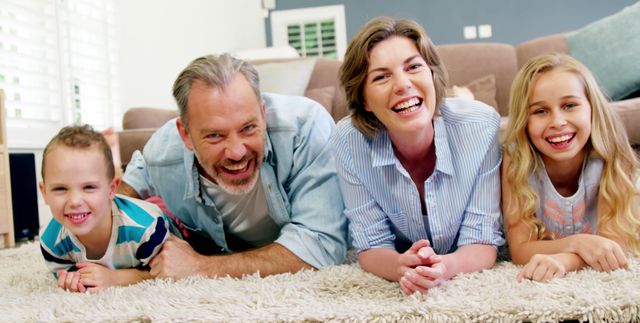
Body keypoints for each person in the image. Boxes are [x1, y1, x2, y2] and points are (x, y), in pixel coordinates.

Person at [118, 53, 348, 279]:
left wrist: (201, 267)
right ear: (185, 135)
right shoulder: (162, 154)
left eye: (248, 128)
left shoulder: (307, 127)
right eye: (216, 135)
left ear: (263, 114)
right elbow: (135, 177)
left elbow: (322, 244)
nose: (237, 152)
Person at [330, 16, 504, 295]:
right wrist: (400, 265)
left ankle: (463, 96)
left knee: (466, 110)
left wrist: (445, 267)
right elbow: (371, 244)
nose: (402, 84)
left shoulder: (482, 128)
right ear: (364, 100)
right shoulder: (348, 141)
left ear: (432, 74)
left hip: (461, 119)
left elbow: (482, 239)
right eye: (381, 76)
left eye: (413, 67)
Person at [502, 53, 640, 282]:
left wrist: (565, 261)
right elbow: (520, 249)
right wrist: (579, 243)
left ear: (592, 108)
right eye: (540, 111)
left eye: (569, 105)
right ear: (524, 121)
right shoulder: (515, 160)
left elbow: (613, 247)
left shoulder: (613, 155)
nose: (557, 122)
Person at [39, 125, 169, 293]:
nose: (75, 201)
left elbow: (166, 271)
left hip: (165, 217)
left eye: (88, 187)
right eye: (60, 189)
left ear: (111, 188)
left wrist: (114, 278)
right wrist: (75, 280)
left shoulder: (148, 230)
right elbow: (68, 273)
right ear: (44, 192)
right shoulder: (52, 244)